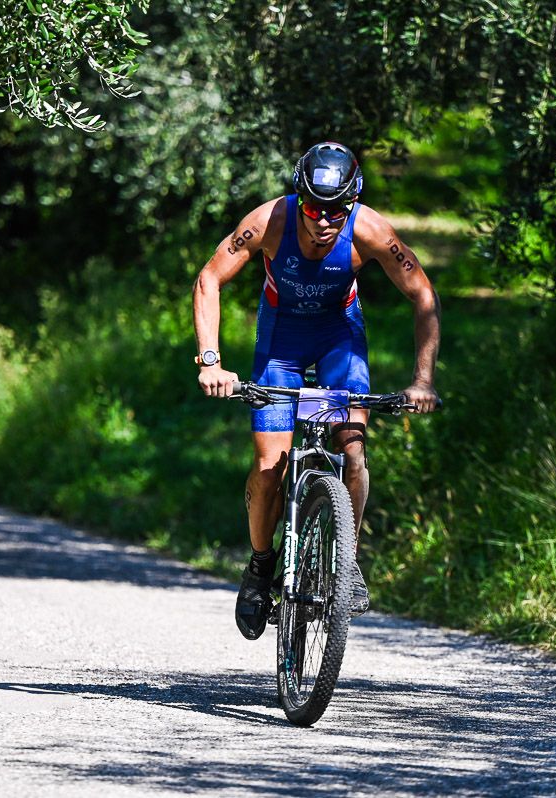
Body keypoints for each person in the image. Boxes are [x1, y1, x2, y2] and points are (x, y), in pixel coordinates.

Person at [192, 141, 441, 640]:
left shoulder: (370, 230)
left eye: (336, 211)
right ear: (298, 197)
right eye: (313, 208)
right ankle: (260, 566)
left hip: (338, 338)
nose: (324, 221)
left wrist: (422, 380)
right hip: (280, 341)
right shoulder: (268, 222)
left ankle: (346, 562)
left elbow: (422, 295)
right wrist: (211, 362)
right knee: (269, 467)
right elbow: (209, 279)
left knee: (353, 452)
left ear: (353, 203)